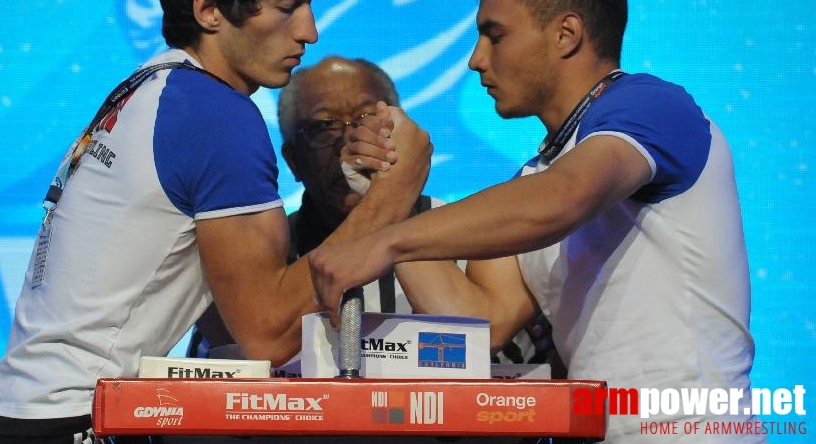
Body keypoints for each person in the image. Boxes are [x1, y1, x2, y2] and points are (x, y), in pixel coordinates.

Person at [0, 0, 431, 443]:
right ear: (210, 9)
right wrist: (393, 195)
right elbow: (266, 334)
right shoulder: (216, 115)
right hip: (73, 420)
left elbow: (222, 320)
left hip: (24, 416)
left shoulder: (154, 88)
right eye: (288, 5)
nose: (310, 30)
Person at [309, 0, 762, 442]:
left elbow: (568, 196)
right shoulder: (535, 177)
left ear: (566, 33)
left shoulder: (653, 107)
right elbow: (481, 322)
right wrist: (394, 197)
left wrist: (384, 242)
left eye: (494, 35)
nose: (475, 60)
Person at [189, 55, 557, 369]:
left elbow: (504, 362)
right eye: (325, 126)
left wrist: (389, 202)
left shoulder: (467, 240)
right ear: (293, 160)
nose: (350, 140)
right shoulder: (259, 265)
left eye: (367, 119)